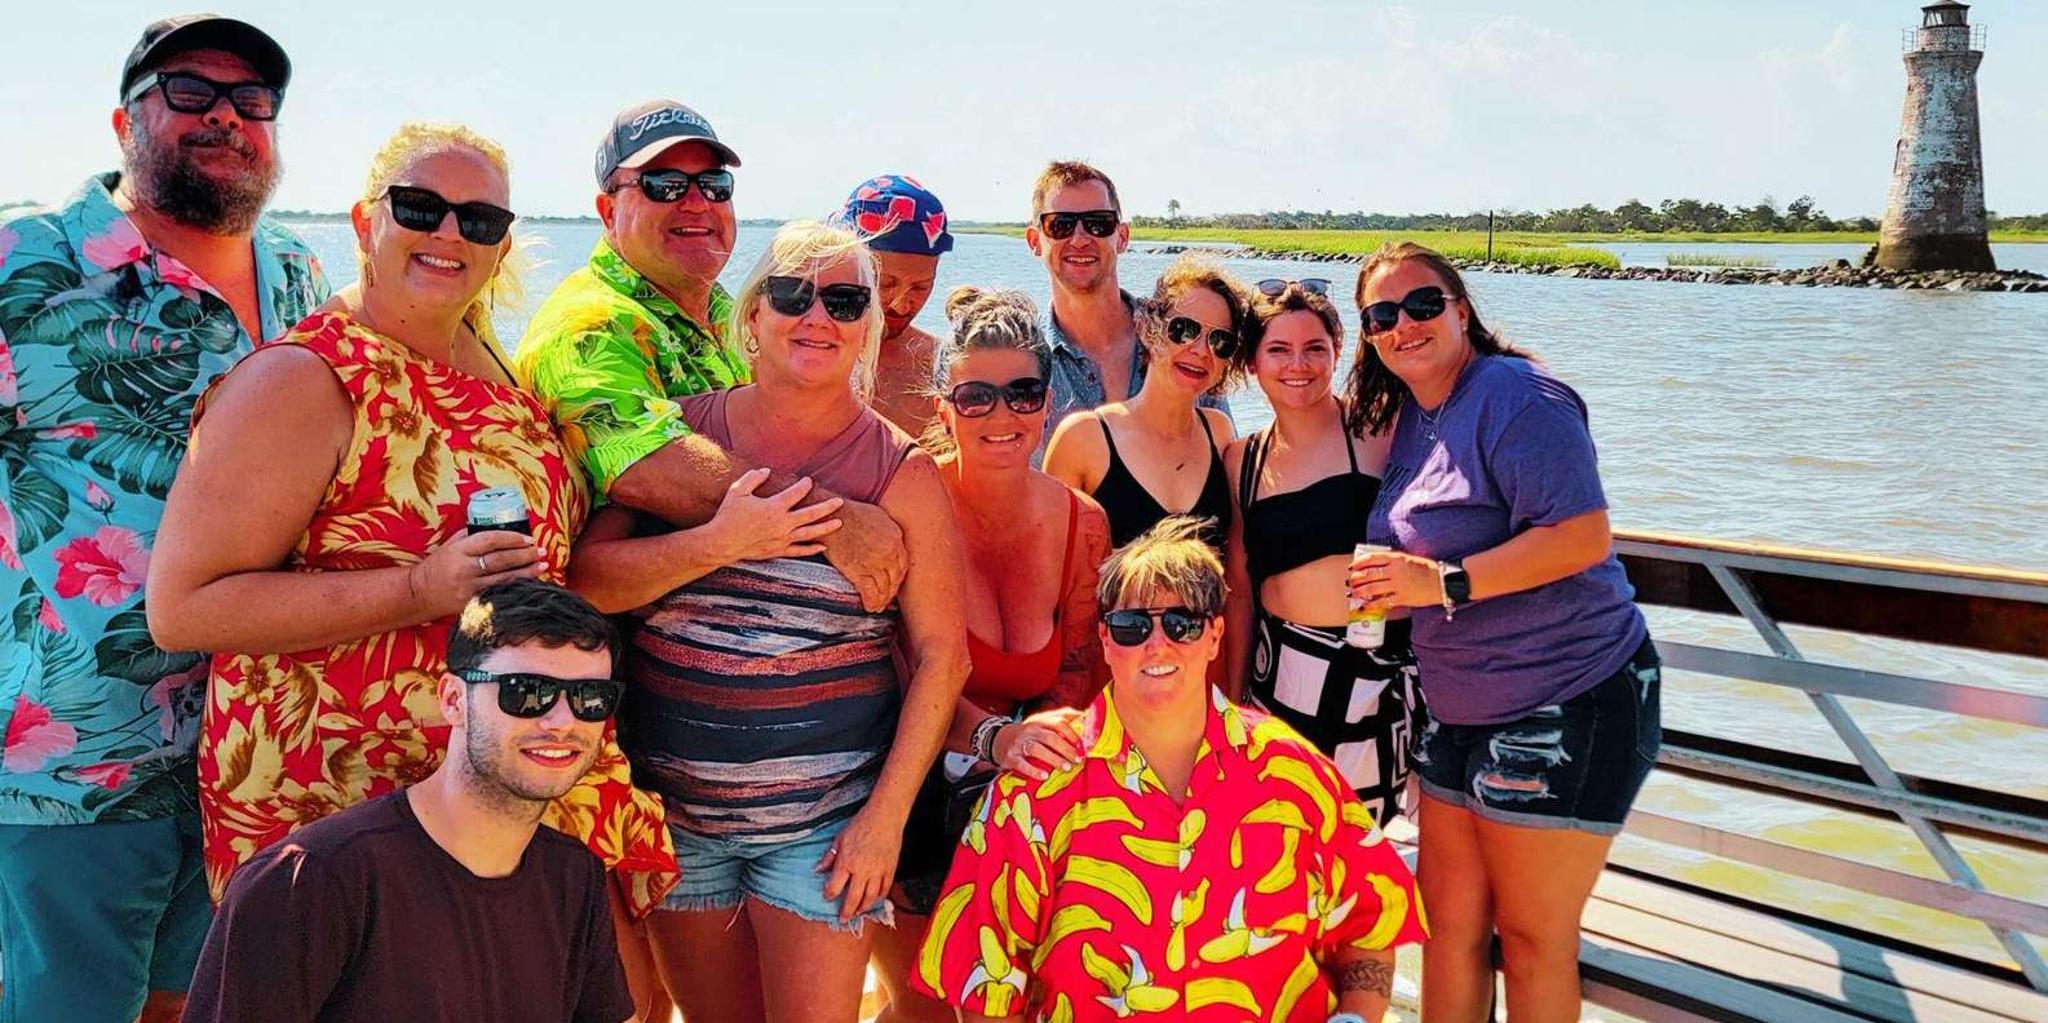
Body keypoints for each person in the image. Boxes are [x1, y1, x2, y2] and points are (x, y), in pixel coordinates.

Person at [144, 123, 675, 947]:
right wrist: (418, 589)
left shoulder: (489, 361)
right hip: (346, 797)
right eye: (421, 208)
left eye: (481, 220)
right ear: (365, 222)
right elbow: (183, 609)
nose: (450, 234)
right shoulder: (303, 378)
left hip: (514, 763)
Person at [0, 16, 324, 1023]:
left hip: (251, 747)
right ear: (123, 119)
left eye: (252, 100)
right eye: (189, 91)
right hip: (75, 759)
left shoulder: (298, 278)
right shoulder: (27, 263)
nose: (226, 115)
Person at [566, 220, 969, 1023]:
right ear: (750, 316)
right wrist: (720, 541)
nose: (816, 316)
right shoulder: (677, 433)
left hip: (825, 831)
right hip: (676, 819)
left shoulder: (900, 470)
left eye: (845, 300)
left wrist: (883, 823)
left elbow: (942, 657)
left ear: (868, 331)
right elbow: (589, 584)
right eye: (791, 293)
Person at [914, 517, 1426, 1023]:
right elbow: (984, 983)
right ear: (1106, 642)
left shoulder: (1295, 772)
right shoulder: (1035, 789)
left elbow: (1370, 928)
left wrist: (1354, 1019)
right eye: (1133, 626)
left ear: (1214, 636)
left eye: (1182, 624)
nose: (1157, 645)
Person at [1347, 242, 1659, 1023]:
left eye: (1421, 305)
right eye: (1381, 315)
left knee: (1530, 937)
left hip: (1568, 696)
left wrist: (1446, 583)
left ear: (1461, 310)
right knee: (1445, 926)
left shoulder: (1517, 395)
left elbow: (1583, 534)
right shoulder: (1418, 414)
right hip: (1461, 709)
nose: (1402, 325)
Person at [180, 580, 637, 1023]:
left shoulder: (573, 876)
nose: (562, 721)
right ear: (454, 699)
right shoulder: (309, 881)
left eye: (590, 698)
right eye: (526, 693)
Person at [515, 101, 907, 617]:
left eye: (714, 186)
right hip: (628, 655)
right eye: (665, 185)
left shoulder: (723, 306)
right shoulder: (588, 324)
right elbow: (646, 466)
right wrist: (831, 521)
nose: (697, 204)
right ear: (608, 210)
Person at [868, 287, 1111, 1023]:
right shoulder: (908, 504)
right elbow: (901, 669)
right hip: (911, 791)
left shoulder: (1083, 522)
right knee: (924, 1005)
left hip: (1031, 798)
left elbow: (1079, 671)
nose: (1001, 416)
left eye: (1022, 393)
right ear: (943, 409)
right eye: (975, 396)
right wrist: (989, 738)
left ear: (1046, 404)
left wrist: (1028, 758)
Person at [1223, 279, 1424, 828]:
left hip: (1373, 666)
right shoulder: (1241, 458)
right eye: (1279, 350)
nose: (1299, 365)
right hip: (1281, 673)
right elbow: (1240, 586)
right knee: (1281, 841)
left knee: (1362, 843)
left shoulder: (1381, 428)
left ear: (1338, 351)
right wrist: (1235, 695)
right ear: (1253, 362)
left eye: (1315, 348)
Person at [1025, 161, 1228, 462]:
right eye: (1060, 224)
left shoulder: (1182, 336)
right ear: (1034, 241)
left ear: (1121, 237)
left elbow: (1225, 459)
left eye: (1098, 223)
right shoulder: (1021, 358)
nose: (1080, 239)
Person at [1042, 256, 1244, 551]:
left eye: (1220, 341)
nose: (1201, 350)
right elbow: (1052, 564)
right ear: (1149, 328)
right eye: (1184, 330)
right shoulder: (1083, 438)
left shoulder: (1220, 433)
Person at [836, 174, 954, 438]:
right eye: (885, 283)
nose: (902, 306)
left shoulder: (944, 366)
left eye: (921, 287)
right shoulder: (785, 351)